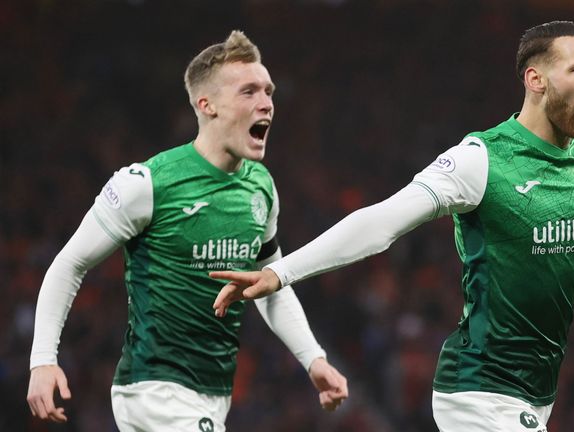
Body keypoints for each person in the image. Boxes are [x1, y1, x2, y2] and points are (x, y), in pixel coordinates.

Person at [208, 21, 574, 431]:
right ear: (535, 80)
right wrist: (281, 273)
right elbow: (381, 222)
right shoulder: (480, 159)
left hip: (535, 395)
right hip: (479, 390)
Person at [26, 31, 348, 430]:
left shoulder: (262, 187)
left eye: (268, 91)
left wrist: (313, 358)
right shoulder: (146, 184)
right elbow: (69, 264)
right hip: (155, 389)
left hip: (214, 393)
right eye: (248, 92)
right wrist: (43, 359)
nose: (266, 103)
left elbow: (269, 287)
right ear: (206, 104)